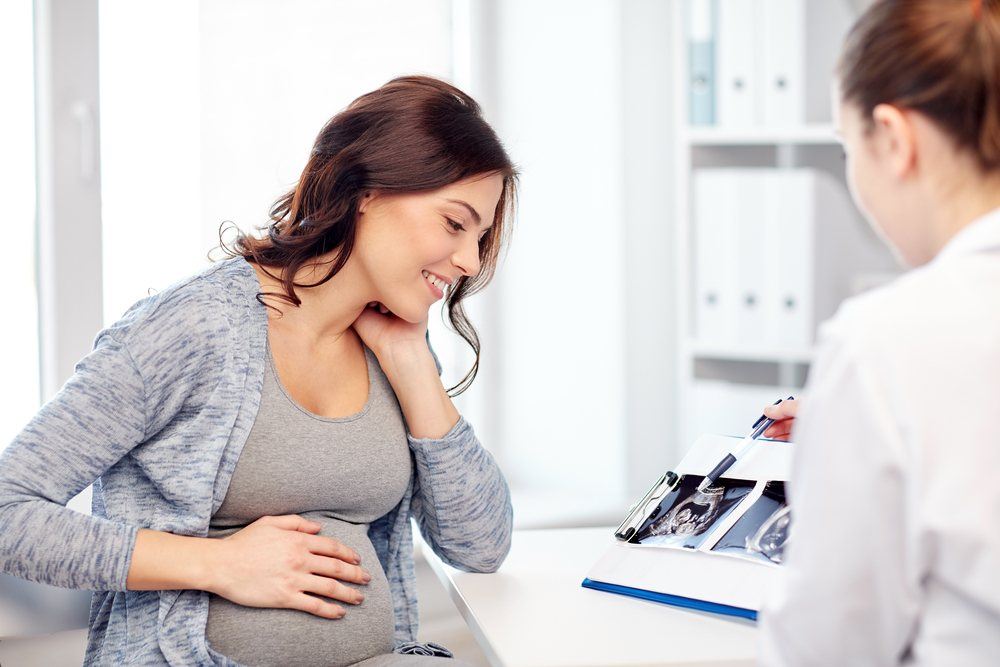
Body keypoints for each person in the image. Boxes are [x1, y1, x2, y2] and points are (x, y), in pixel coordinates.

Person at [0, 76, 516, 666]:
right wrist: (216, 564)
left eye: (481, 238)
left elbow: (481, 547)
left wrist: (413, 366)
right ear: (367, 190)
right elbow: (7, 513)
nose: (470, 262)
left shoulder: (394, 347)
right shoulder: (194, 328)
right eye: (455, 224)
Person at [757, 1, 1000, 665]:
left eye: (847, 147)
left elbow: (826, 643)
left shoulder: (885, 341)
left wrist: (865, 419)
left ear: (893, 138)